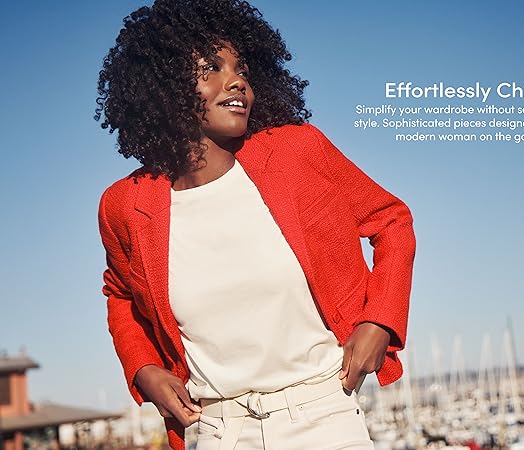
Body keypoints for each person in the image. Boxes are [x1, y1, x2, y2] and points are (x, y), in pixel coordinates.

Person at [95, 0, 416, 449]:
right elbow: (121, 294)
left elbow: (391, 220)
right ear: (162, 85)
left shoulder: (297, 153)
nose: (236, 80)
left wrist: (379, 322)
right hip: (214, 429)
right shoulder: (126, 205)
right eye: (211, 68)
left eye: (241, 67)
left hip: (322, 418)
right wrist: (143, 367)